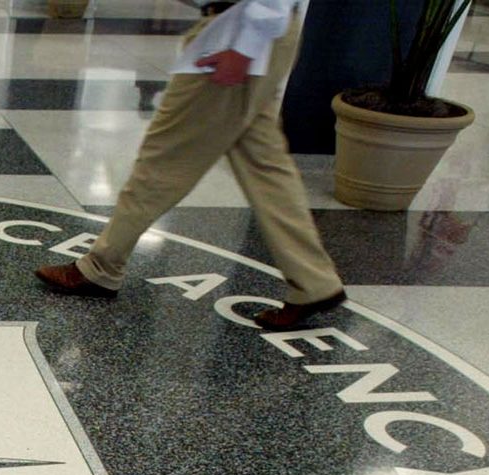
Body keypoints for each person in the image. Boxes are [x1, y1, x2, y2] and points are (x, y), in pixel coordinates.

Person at [34, 0, 346, 330]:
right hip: (251, 32)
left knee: (164, 159)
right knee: (264, 164)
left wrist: (243, 47)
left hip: (239, 31)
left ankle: (100, 267)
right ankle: (314, 281)